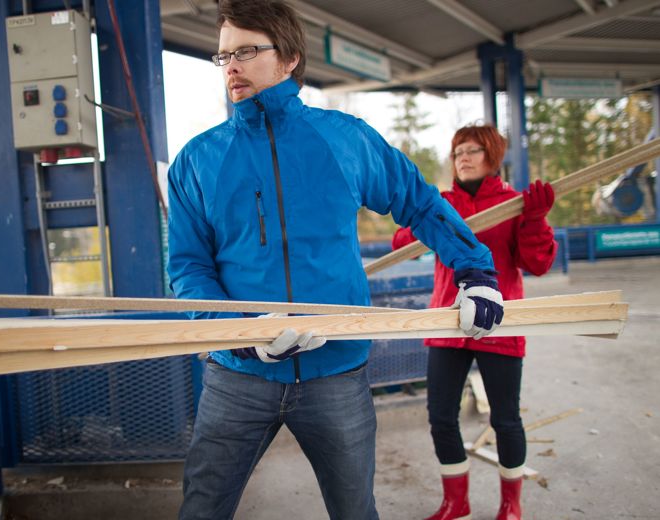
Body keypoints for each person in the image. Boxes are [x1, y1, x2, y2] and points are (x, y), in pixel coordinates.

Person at [167, 2, 504, 518]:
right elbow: (189, 268)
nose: (231, 66)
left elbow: (419, 202)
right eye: (223, 56)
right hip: (237, 377)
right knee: (202, 509)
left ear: (289, 59)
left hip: (335, 374)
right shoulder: (198, 159)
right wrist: (240, 332)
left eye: (246, 51)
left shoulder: (344, 139)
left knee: (354, 510)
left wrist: (474, 270)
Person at [392, 125, 557, 520]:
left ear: (492, 157)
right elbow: (402, 243)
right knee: (441, 418)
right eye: (457, 152)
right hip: (447, 324)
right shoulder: (439, 204)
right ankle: (456, 502)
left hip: (499, 322)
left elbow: (537, 264)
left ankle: (510, 506)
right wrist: (421, 216)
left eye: (473, 151)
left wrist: (534, 219)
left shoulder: (514, 204)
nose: (462, 158)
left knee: (505, 419)